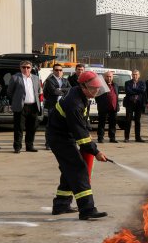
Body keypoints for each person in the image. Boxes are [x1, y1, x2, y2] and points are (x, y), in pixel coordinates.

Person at [46, 71, 109, 220]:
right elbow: (80, 135)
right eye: (93, 88)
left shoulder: (79, 94)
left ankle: (61, 205)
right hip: (59, 138)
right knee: (79, 170)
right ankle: (87, 209)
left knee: (69, 170)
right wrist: (96, 152)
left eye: (98, 88)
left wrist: (88, 135)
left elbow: (81, 124)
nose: (96, 91)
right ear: (83, 86)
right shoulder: (74, 103)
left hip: (63, 135)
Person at [7, 60, 41, 153]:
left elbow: (38, 91)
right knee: (19, 128)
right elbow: (10, 92)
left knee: (32, 128)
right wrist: (16, 101)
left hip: (33, 106)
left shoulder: (35, 78)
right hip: (20, 107)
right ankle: (17, 147)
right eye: (24, 67)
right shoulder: (15, 78)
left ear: (31, 68)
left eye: (28, 67)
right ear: (20, 68)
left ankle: (29, 146)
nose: (26, 69)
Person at [42, 63, 70, 149]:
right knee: (51, 125)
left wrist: (60, 89)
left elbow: (70, 90)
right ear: (53, 71)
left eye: (60, 70)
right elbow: (53, 91)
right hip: (52, 106)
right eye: (56, 70)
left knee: (63, 125)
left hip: (63, 106)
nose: (58, 72)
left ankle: (62, 142)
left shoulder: (65, 80)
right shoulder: (49, 80)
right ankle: (48, 144)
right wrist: (63, 91)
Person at [95, 71, 120, 143]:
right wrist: (100, 104)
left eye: (110, 76)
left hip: (113, 107)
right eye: (107, 76)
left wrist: (116, 105)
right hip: (103, 107)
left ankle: (112, 138)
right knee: (101, 123)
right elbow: (96, 96)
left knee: (113, 123)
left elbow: (116, 96)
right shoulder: (101, 85)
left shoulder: (115, 85)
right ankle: (100, 138)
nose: (109, 78)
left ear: (112, 77)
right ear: (104, 77)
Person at [123, 69, 146, 142]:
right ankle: (126, 138)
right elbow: (128, 91)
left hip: (138, 104)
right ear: (131, 75)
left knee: (137, 121)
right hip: (129, 103)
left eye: (136, 74)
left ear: (139, 75)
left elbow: (143, 90)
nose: (135, 76)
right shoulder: (127, 83)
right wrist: (137, 91)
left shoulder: (142, 83)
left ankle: (138, 137)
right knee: (128, 121)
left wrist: (133, 89)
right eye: (133, 74)